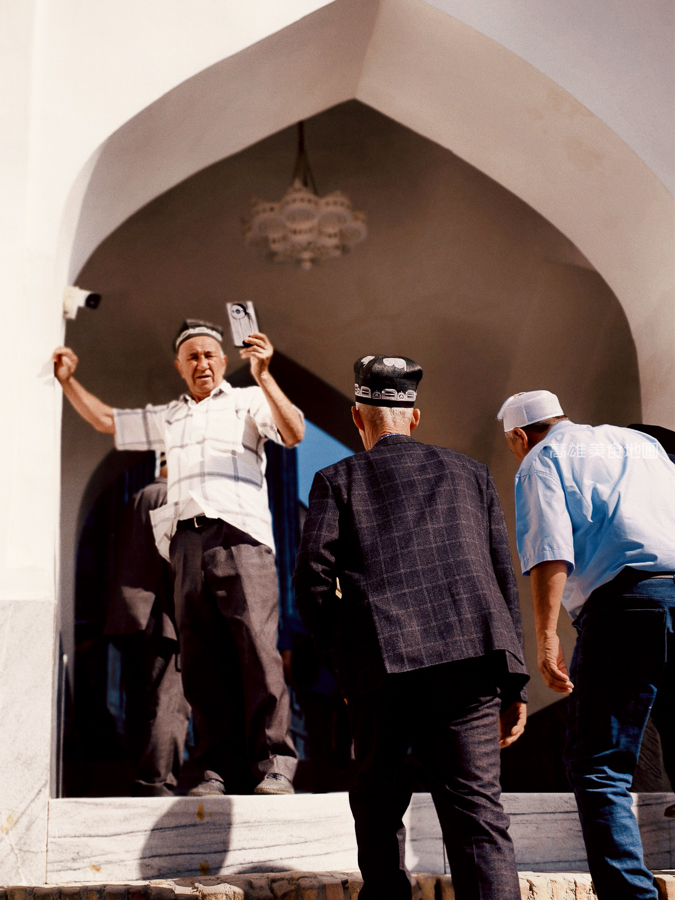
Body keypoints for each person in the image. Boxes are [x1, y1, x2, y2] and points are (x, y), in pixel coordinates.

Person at [294, 355, 528, 900]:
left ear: (358, 417)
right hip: (471, 665)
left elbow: (310, 583)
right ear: (414, 416)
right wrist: (514, 681)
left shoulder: (337, 479)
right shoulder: (471, 472)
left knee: (377, 805)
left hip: (381, 667)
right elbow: (501, 578)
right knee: (479, 818)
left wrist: (347, 667)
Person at [53, 318, 304, 796]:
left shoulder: (249, 399)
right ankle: (217, 768)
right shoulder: (171, 415)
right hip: (186, 544)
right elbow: (108, 421)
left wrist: (265, 374)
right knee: (202, 659)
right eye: (192, 357)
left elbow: (293, 434)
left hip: (241, 535)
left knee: (256, 649)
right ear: (180, 366)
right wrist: (68, 382)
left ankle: (275, 763)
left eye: (210, 354)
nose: (202, 363)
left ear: (224, 360)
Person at [498, 390, 675, 900]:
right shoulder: (639, 443)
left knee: (597, 764)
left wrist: (548, 636)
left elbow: (550, 549)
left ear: (518, 435)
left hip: (625, 608)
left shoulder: (541, 458)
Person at [106, 453, 191, 797]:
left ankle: (143, 780)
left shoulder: (137, 497)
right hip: (162, 616)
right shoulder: (172, 496)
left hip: (130, 617)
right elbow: (175, 559)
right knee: (168, 703)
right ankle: (157, 782)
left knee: (139, 705)